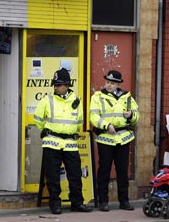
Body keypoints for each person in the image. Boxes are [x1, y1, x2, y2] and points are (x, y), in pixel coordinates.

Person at [34, 68, 92, 214]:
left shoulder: (76, 101)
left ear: (67, 85)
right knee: (53, 176)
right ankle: (55, 204)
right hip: (51, 141)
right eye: (54, 84)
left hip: (70, 144)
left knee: (75, 175)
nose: (56, 87)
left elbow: (79, 123)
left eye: (58, 85)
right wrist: (51, 131)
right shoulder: (47, 99)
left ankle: (77, 203)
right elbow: (38, 120)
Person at [90, 70, 140, 212]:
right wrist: (106, 125)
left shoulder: (127, 97)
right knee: (104, 170)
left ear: (118, 84)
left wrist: (131, 115)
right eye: (107, 82)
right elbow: (93, 116)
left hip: (123, 138)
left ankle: (124, 201)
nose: (109, 85)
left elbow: (137, 115)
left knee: (122, 171)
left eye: (112, 83)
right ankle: (103, 201)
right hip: (105, 138)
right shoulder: (97, 97)